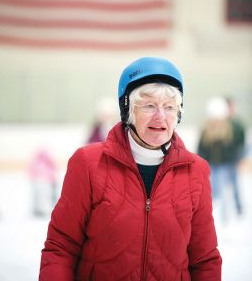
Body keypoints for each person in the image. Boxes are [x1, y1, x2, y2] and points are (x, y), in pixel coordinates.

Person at [39, 57, 222, 281]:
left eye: (169, 107)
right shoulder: (88, 163)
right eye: (149, 105)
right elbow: (61, 248)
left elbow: (204, 260)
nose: (161, 116)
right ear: (128, 110)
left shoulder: (196, 171)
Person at [197, 96, 242, 221]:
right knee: (214, 190)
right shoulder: (206, 130)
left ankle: (228, 216)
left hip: (225, 165)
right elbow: (201, 148)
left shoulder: (228, 129)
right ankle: (213, 215)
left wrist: (235, 159)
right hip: (212, 164)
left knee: (226, 189)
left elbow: (233, 147)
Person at [28, 148, 58, 217]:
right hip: (45, 181)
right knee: (45, 196)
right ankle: (43, 209)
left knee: (38, 196)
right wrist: (53, 179)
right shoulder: (48, 161)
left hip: (37, 181)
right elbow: (53, 167)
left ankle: (38, 208)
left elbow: (31, 170)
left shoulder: (36, 161)